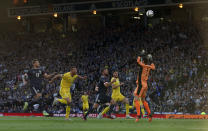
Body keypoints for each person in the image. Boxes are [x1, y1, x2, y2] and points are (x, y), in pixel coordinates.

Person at [134, 55, 155, 122]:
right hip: (145, 85)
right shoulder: (149, 67)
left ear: (143, 61)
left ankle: (138, 115)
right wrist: (151, 61)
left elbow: (137, 61)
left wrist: (139, 56)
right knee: (143, 100)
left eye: (142, 61)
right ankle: (149, 115)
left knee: (136, 99)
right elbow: (153, 67)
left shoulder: (142, 66)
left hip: (141, 85)